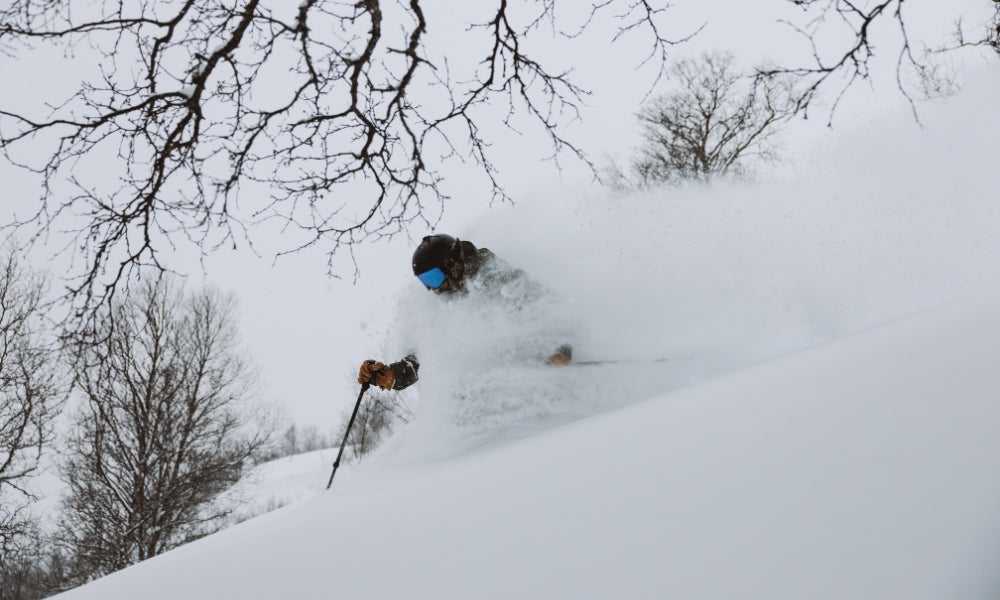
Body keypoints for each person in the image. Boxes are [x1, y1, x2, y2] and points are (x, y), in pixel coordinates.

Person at [358, 234, 572, 391]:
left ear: (451, 265)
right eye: (425, 282)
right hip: (502, 384)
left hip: (546, 364)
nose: (433, 289)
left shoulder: (495, 275)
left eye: (433, 278)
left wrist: (562, 349)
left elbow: (547, 306)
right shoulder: (447, 306)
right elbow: (427, 357)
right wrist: (390, 374)